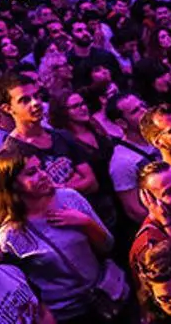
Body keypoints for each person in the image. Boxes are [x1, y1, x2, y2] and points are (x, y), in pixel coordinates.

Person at [0, 151, 128, 323]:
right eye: (31, 173)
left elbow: (107, 245)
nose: (43, 175)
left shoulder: (69, 198)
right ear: (12, 185)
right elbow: (24, 286)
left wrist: (85, 222)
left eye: (40, 168)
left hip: (106, 296)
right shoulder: (10, 235)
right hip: (67, 315)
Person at [0, 74, 98, 197]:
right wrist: (76, 182)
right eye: (25, 100)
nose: (35, 103)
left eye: (36, 96)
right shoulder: (12, 153)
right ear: (8, 108)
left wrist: (59, 188)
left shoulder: (61, 135)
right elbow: (35, 199)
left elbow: (92, 183)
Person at [48, 91, 119, 235]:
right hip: (99, 203)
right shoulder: (64, 141)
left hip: (118, 189)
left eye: (83, 104)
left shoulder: (94, 125)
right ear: (63, 112)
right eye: (75, 106)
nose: (83, 108)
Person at [106, 92, 157, 224]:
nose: (145, 111)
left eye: (143, 106)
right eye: (135, 111)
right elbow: (134, 211)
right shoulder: (122, 162)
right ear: (122, 123)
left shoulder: (160, 134)